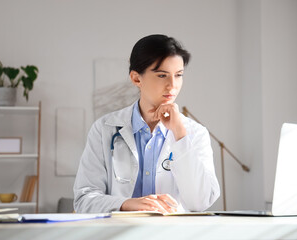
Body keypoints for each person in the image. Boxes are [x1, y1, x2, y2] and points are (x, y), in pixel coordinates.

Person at [73, 34, 220, 213]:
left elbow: (200, 202)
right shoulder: (104, 129)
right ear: (136, 79)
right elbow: (83, 200)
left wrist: (180, 134)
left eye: (178, 75)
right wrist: (126, 204)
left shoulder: (195, 133)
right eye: (162, 75)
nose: (172, 85)